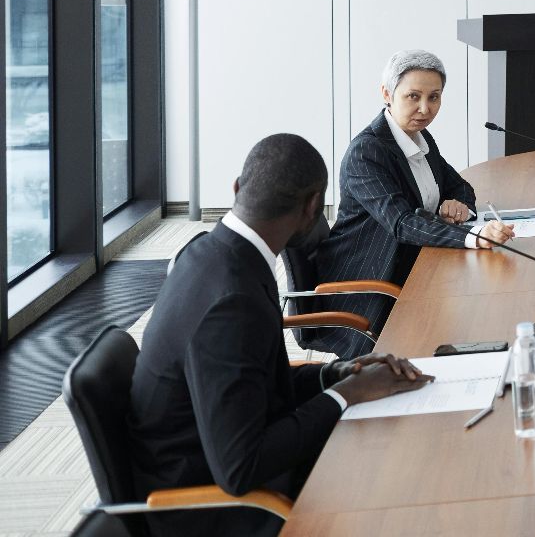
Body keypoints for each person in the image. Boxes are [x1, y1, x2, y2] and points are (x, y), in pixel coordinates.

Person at [129, 133, 429, 536]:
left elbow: (250, 379)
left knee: (391, 443)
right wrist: (346, 395)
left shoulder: (209, 251)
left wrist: (339, 373)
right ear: (311, 209)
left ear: (237, 187)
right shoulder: (232, 300)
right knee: (398, 475)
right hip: (217, 508)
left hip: (216, 458)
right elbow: (240, 468)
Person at [308, 48, 513, 357]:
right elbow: (402, 223)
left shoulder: (420, 137)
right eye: (413, 96)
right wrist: (473, 236)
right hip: (371, 280)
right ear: (387, 94)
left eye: (434, 97)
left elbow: (457, 184)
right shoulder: (367, 153)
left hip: (413, 262)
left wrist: (458, 203)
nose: (424, 108)